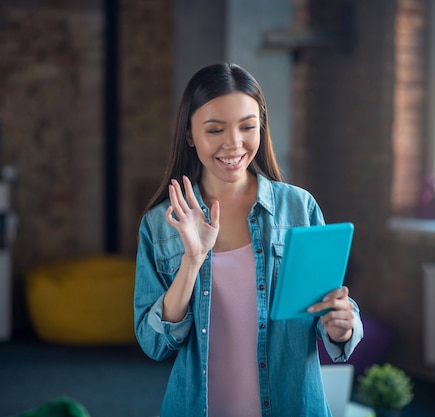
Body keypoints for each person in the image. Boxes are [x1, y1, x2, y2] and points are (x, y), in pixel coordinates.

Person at [134, 63, 364, 417]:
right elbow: (155, 344)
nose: (234, 143)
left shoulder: (299, 208)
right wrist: (192, 262)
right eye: (215, 129)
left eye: (247, 127)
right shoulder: (161, 225)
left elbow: (325, 309)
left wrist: (343, 325)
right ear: (190, 134)